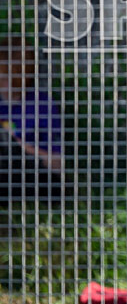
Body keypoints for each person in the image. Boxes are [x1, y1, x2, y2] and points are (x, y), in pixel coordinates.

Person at [0, 36, 64, 202]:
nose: (3, 82)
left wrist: (19, 144)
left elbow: (56, 161)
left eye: (7, 76)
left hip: (33, 175)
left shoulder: (41, 103)